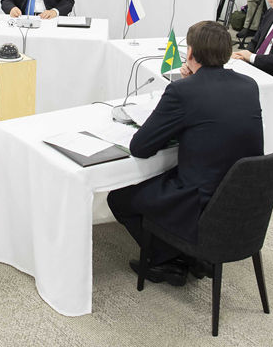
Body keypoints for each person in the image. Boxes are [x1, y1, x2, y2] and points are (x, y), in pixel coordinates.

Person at [108, 21, 264, 286]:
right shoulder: (250, 85)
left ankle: (167, 260)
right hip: (242, 197)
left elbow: (141, 148)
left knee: (119, 198)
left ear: (189, 53)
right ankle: (190, 257)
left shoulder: (183, 91)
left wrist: (186, 85)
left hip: (199, 199)